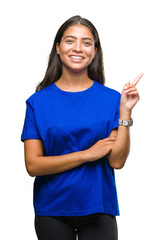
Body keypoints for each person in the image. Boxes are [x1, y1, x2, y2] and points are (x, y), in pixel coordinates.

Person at [21, 15, 143, 240]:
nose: (78, 48)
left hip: (98, 207)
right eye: (70, 41)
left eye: (86, 42)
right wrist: (87, 155)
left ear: (94, 51)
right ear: (58, 48)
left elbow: (116, 161)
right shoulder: (37, 102)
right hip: (52, 210)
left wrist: (125, 112)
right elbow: (33, 165)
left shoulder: (112, 99)